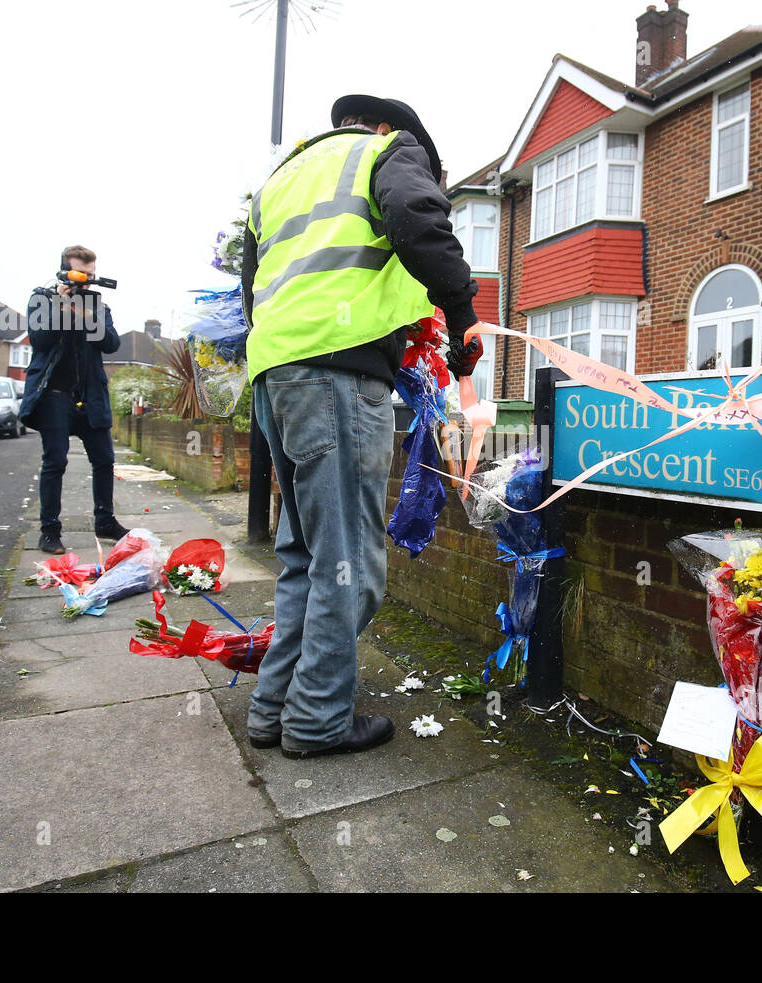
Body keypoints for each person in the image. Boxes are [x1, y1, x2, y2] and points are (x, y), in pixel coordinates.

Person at [241, 94, 483, 760]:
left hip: (276, 372)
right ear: (388, 128)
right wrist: (464, 314)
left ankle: (273, 710)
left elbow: (252, 286)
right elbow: (416, 218)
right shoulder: (387, 150)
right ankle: (317, 719)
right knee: (350, 563)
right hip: (335, 382)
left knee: (304, 557)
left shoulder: (278, 181)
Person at [18, 245, 128, 555]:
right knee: (55, 462)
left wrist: (83, 313)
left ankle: (105, 521)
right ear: (65, 270)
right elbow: (39, 340)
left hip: (91, 394)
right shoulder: (42, 299)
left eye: (91, 276)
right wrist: (61, 305)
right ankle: (49, 530)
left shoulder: (96, 305)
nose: (87, 281)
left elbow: (111, 343)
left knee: (105, 460)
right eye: (82, 274)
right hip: (55, 395)